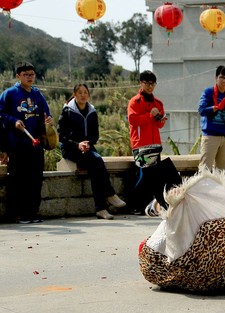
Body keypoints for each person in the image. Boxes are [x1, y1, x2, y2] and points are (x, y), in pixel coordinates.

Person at [57, 84, 126, 220]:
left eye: (85, 92)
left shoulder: (92, 111)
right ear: (75, 95)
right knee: (97, 161)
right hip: (70, 148)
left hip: (87, 148)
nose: (83, 95)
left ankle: (101, 209)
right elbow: (61, 136)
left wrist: (88, 143)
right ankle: (109, 195)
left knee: (96, 166)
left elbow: (95, 135)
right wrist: (78, 145)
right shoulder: (67, 111)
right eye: (80, 93)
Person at [0, 62, 54, 224]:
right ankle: (17, 214)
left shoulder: (38, 94)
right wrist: (13, 120)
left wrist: (48, 120)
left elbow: (46, 113)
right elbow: (1, 114)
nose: (30, 77)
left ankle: (32, 212)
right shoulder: (9, 94)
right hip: (17, 144)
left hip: (35, 144)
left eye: (32, 74)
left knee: (35, 179)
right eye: (26, 75)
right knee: (18, 180)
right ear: (18, 76)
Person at [128, 70, 182, 216]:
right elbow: (133, 120)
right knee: (144, 176)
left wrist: (161, 120)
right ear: (141, 83)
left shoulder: (158, 103)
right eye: (147, 83)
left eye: (152, 84)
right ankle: (137, 205)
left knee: (152, 177)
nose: (150, 86)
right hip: (141, 144)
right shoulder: (135, 102)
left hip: (154, 145)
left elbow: (158, 125)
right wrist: (148, 115)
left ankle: (151, 204)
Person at [197, 65, 225, 172]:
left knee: (221, 171)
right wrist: (216, 107)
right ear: (216, 78)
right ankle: (202, 189)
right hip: (211, 135)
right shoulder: (208, 92)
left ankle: (219, 189)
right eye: (221, 77)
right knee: (205, 169)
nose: (224, 80)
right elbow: (201, 110)